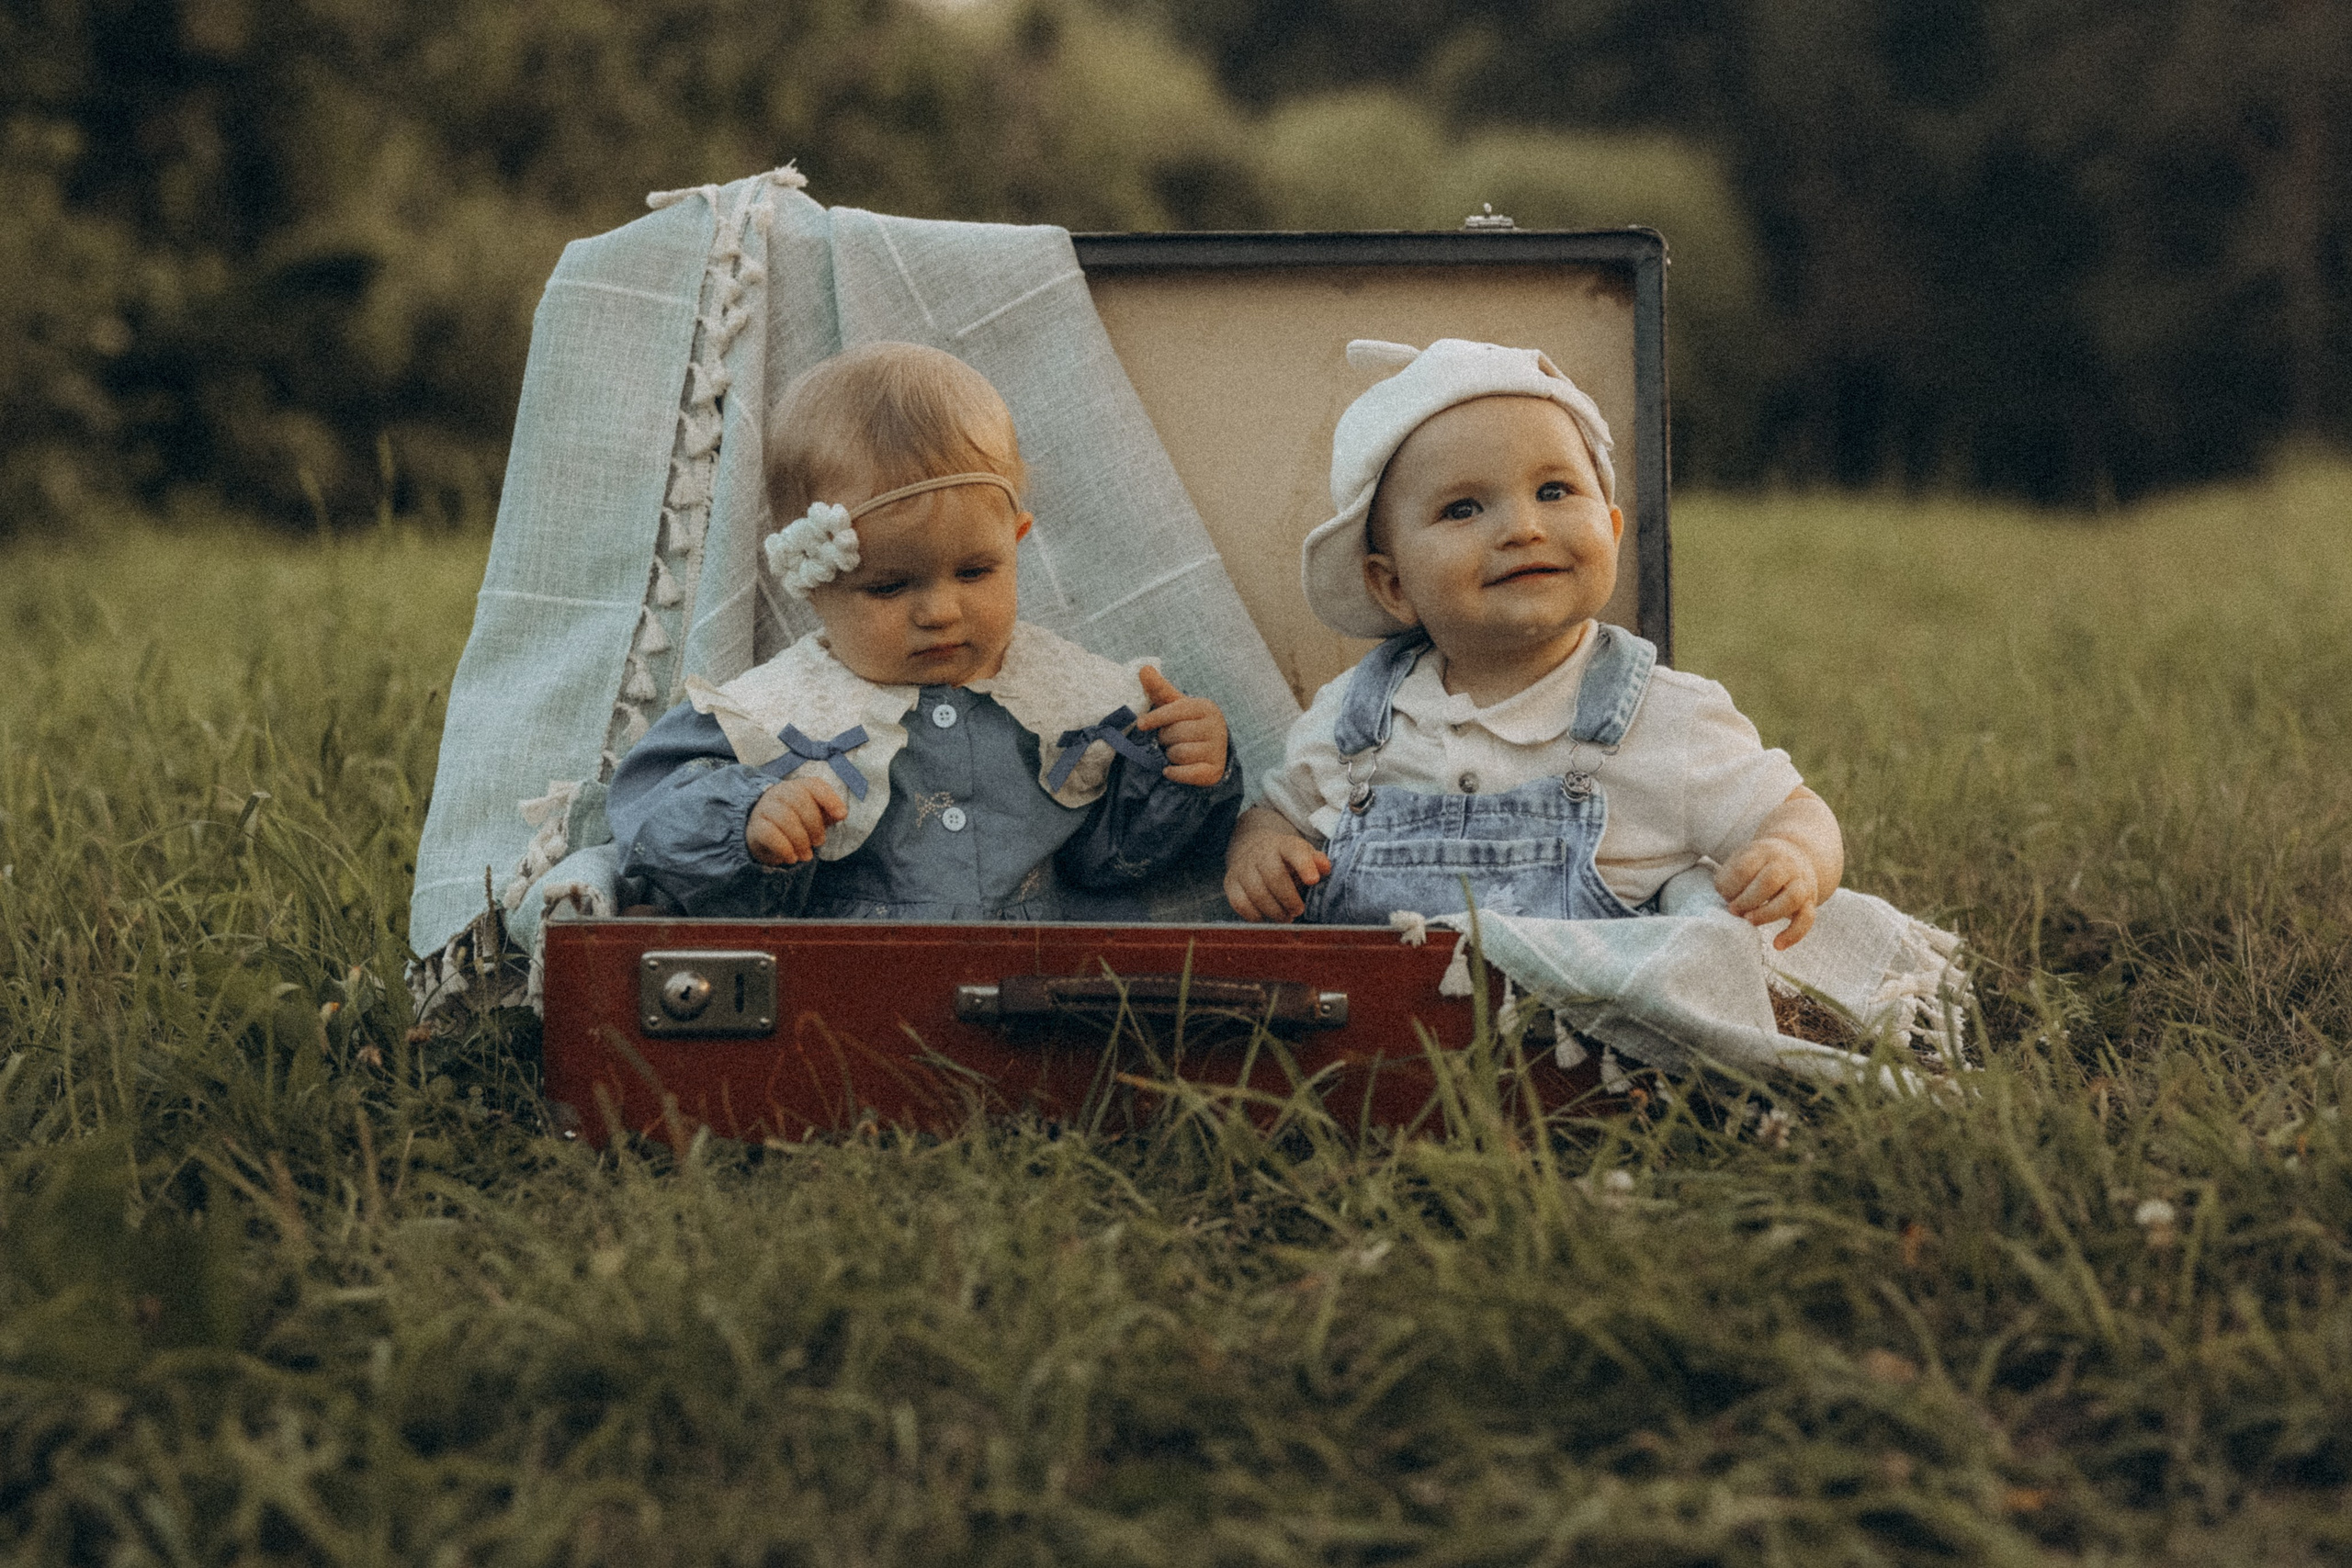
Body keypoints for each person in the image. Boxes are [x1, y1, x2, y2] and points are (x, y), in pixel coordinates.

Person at [1224, 338, 1841, 947]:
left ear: (1613, 528)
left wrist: (1790, 855)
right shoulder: (1357, 718)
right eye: (1463, 509)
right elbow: (1277, 811)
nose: (1522, 528)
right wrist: (1261, 850)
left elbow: (1794, 809)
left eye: (1554, 491)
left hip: (1587, 1030)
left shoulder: (1665, 718)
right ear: (1392, 584)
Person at [609, 342, 1242, 919]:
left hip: (1040, 992)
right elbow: (645, 816)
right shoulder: (778, 714)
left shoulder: (1064, 700)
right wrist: (746, 821)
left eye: (975, 571)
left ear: (1016, 542)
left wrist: (1182, 773)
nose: (940, 611)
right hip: (852, 995)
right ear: (812, 584)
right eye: (889, 586)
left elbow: (1109, 862)